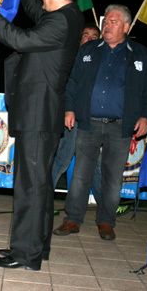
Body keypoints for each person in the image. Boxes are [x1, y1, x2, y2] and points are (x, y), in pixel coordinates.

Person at [0, 0, 84, 271]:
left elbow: (22, 40)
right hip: (40, 114)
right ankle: (34, 247)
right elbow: (36, 12)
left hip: (39, 114)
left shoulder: (62, 20)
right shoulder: (66, 16)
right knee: (37, 185)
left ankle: (25, 254)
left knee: (31, 186)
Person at [53, 4, 147, 240]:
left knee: (113, 177)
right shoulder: (89, 50)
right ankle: (72, 219)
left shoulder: (141, 54)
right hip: (87, 123)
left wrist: (146, 116)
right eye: (106, 21)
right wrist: (69, 109)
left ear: (125, 26)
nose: (106, 25)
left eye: (113, 22)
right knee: (81, 173)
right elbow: (72, 82)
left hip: (121, 126)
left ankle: (106, 222)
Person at [51, 24, 102, 205]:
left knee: (95, 162)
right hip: (70, 116)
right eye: (85, 35)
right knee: (63, 158)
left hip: (91, 119)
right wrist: (66, 110)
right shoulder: (68, 56)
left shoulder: (101, 60)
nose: (89, 39)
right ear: (79, 38)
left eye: (94, 36)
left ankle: (105, 206)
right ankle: (43, 199)